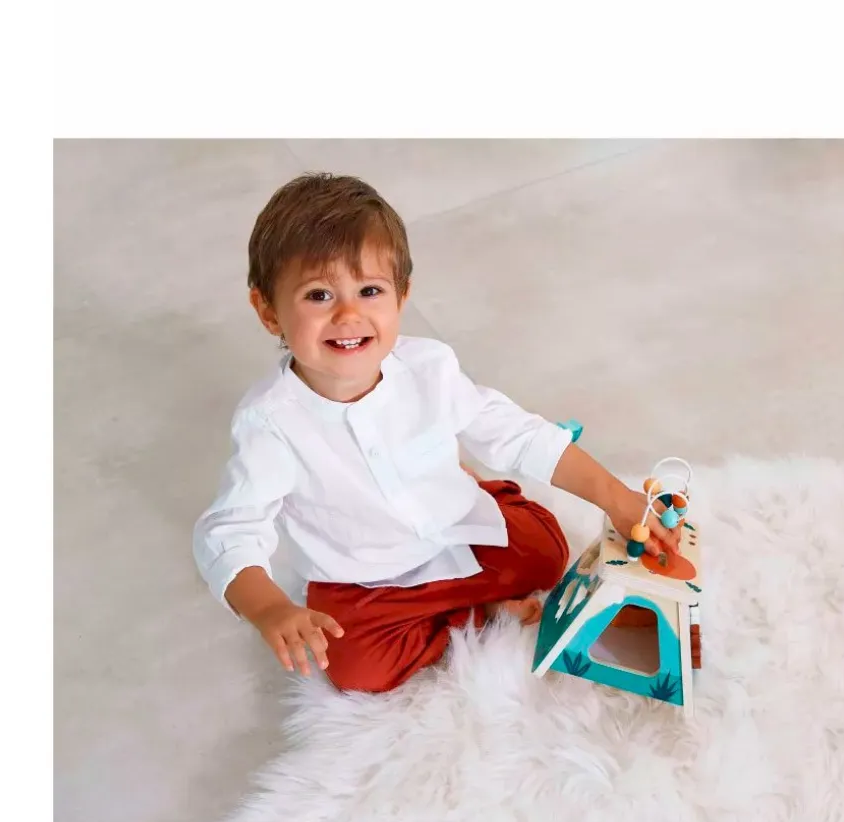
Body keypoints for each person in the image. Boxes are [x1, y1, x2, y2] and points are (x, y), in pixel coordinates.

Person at [192, 173, 679, 694]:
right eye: (319, 295)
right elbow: (229, 530)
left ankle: (481, 503)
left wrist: (616, 497)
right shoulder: (271, 424)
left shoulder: (429, 368)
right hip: (367, 580)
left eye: (370, 291)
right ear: (268, 311)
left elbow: (515, 433)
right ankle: (477, 617)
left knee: (547, 552)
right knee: (356, 668)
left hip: (457, 528)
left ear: (402, 296)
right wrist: (270, 609)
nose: (348, 314)